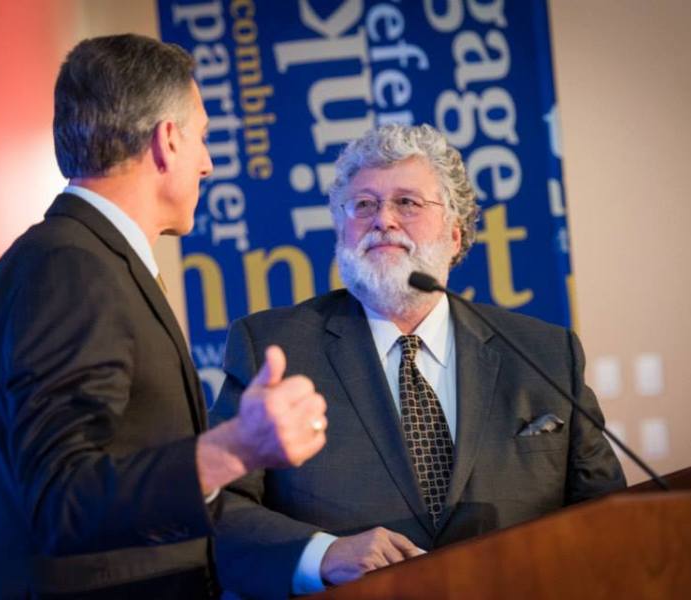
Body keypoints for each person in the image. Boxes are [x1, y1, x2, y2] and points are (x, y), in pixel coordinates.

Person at [0, 34, 327, 599]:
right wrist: (235, 448)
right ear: (167, 140)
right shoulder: (71, 268)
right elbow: (62, 499)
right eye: (203, 138)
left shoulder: (80, 257)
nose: (207, 164)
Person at [210, 124, 626, 598]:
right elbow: (219, 506)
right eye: (363, 205)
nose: (383, 220)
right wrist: (322, 554)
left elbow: (610, 516)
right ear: (341, 229)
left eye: (407, 202)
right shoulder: (275, 348)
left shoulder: (543, 354)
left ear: (455, 234)